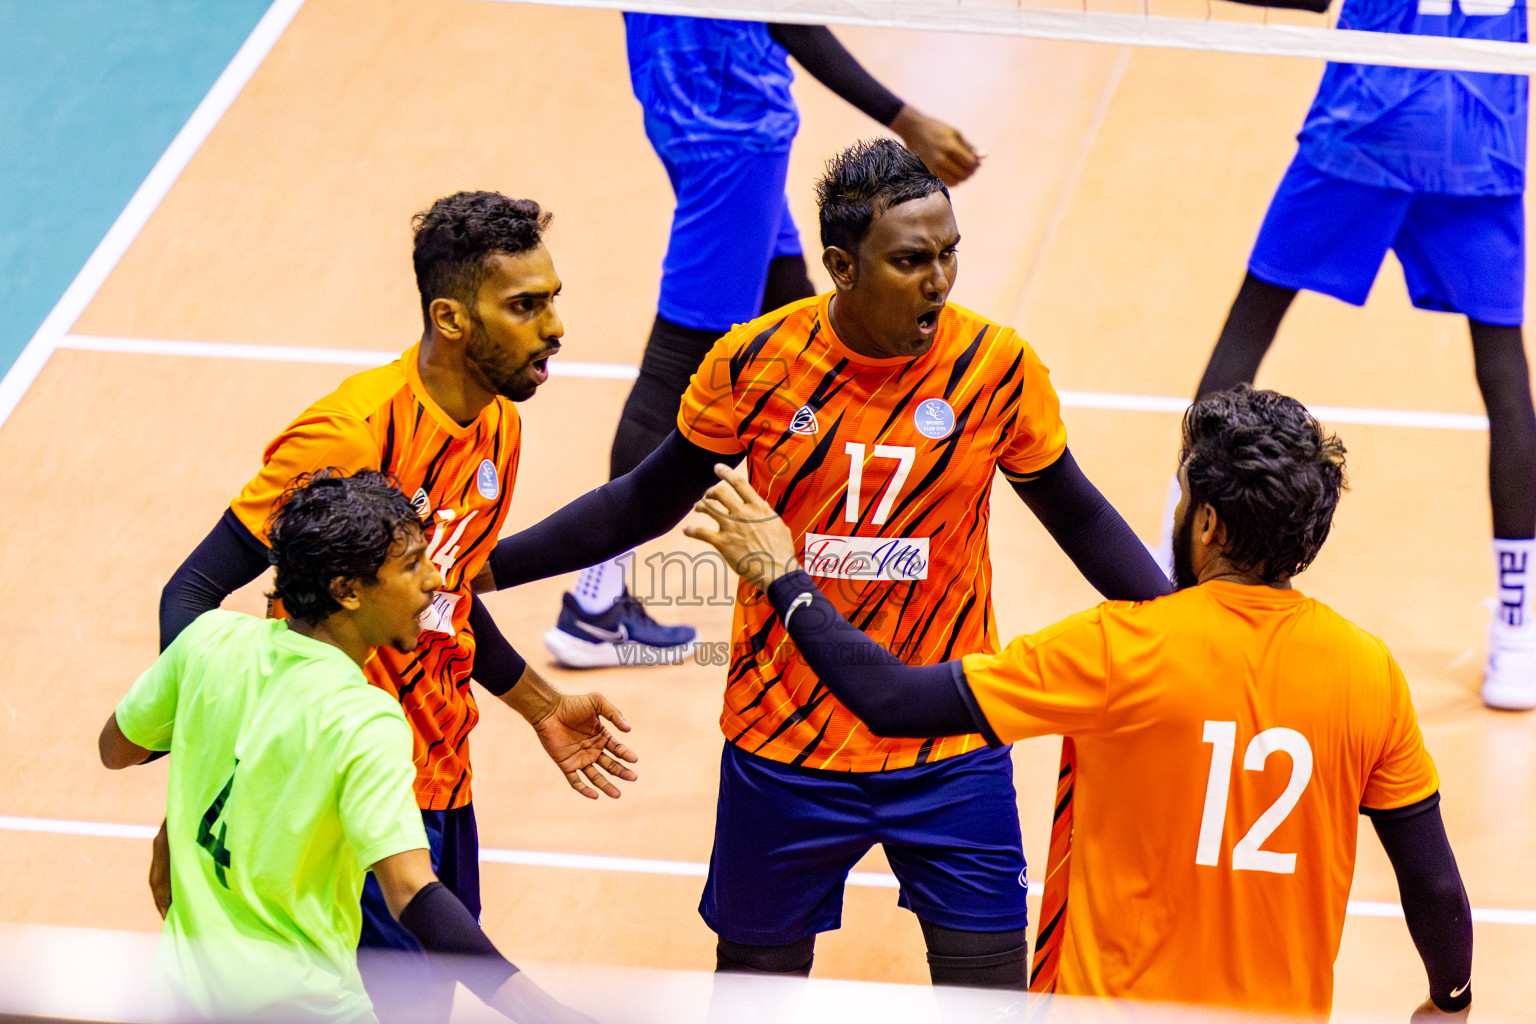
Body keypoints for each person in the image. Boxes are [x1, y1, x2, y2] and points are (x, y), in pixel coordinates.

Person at [475, 139, 1170, 992]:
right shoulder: (754, 362)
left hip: (948, 735)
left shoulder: (997, 369)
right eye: (911, 260)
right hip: (786, 740)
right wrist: (487, 567)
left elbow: (1081, 514)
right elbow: (640, 500)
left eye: (949, 252)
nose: (939, 280)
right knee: (756, 997)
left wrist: (1188, 623)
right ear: (841, 265)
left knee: (990, 1000)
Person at [686, 385, 1473, 1020]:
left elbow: (889, 700)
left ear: (1206, 522)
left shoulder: (1121, 647)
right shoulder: (1368, 671)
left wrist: (784, 576)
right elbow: (1433, 883)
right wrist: (1451, 999)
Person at [154, 191, 635, 1021]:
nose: (555, 327)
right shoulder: (349, 435)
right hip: (339, 790)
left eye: (553, 299)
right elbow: (192, 591)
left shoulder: (496, 429)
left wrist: (540, 706)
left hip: (442, 775)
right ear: (450, 318)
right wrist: (199, 782)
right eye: (525, 306)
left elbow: (444, 597)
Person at [547, 15, 985, 668]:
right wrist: (905, 117)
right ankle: (594, 601)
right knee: (675, 365)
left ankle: (849, 554)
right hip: (731, 124)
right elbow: (787, 14)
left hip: (684, 97)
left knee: (799, 317)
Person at [100, 470, 593, 1024]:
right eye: (411, 565)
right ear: (348, 590)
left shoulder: (209, 643)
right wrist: (544, 1011)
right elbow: (413, 892)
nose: (436, 578)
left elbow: (116, 749)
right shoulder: (365, 719)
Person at [1184, 0, 1534, 710]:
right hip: (1479, 131)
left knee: (1252, 321)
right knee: (1504, 375)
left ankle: (1182, 563)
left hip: (1367, 121)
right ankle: (1519, 634)